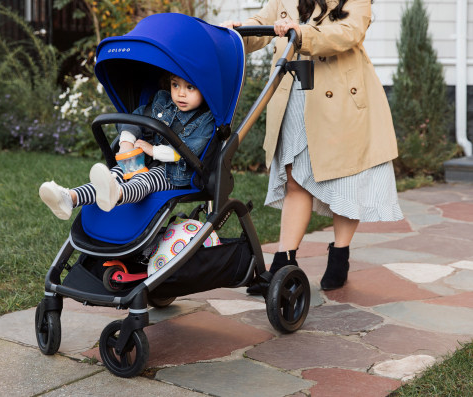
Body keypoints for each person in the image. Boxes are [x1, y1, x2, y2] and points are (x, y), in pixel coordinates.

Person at [221, 0, 403, 294]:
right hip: (295, 93)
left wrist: (301, 33)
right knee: (294, 178)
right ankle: (283, 264)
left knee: (346, 178)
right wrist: (236, 33)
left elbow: (348, 32)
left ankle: (340, 254)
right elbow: (263, 24)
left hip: (342, 100)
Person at [39, 74, 215, 218]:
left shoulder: (206, 119)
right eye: (175, 85)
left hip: (174, 171)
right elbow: (136, 117)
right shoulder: (162, 100)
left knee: (145, 181)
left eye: (190, 87)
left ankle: (118, 194)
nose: (180, 94)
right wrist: (126, 142)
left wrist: (153, 150)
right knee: (114, 174)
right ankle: (70, 198)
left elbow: (189, 152)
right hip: (142, 158)